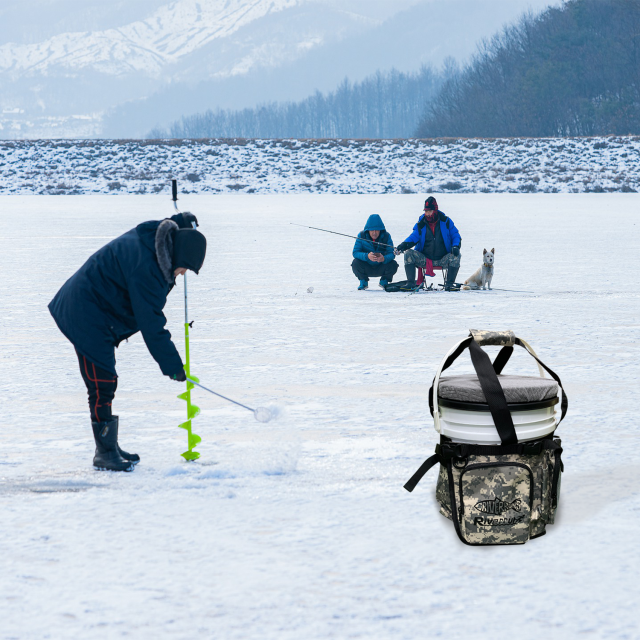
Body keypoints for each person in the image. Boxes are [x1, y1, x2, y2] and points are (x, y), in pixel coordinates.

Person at [48, 212, 207, 472]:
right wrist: (173, 366)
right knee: (102, 383)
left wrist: (182, 221)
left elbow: (169, 227)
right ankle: (105, 453)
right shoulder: (148, 270)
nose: (183, 273)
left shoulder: (157, 240)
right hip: (85, 312)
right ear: (177, 256)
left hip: (97, 308)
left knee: (105, 382)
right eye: (185, 267)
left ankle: (110, 446)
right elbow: (152, 324)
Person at [395, 196, 461, 290]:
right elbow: (413, 237)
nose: (427, 214)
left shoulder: (446, 221)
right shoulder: (421, 224)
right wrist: (402, 246)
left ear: (435, 210)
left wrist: (456, 246)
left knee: (456, 255)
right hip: (425, 259)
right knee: (408, 253)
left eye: (429, 211)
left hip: (443, 258)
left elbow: (455, 235)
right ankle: (410, 284)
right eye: (426, 211)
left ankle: (449, 284)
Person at [351, 214, 398, 290]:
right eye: (372, 230)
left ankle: (384, 280)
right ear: (368, 230)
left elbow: (392, 254)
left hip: (381, 266)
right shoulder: (361, 235)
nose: (374, 232)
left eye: (377, 230)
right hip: (366, 266)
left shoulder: (386, 236)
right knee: (355, 263)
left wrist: (384, 259)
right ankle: (363, 281)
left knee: (393, 264)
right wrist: (367, 256)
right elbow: (355, 252)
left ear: (381, 230)